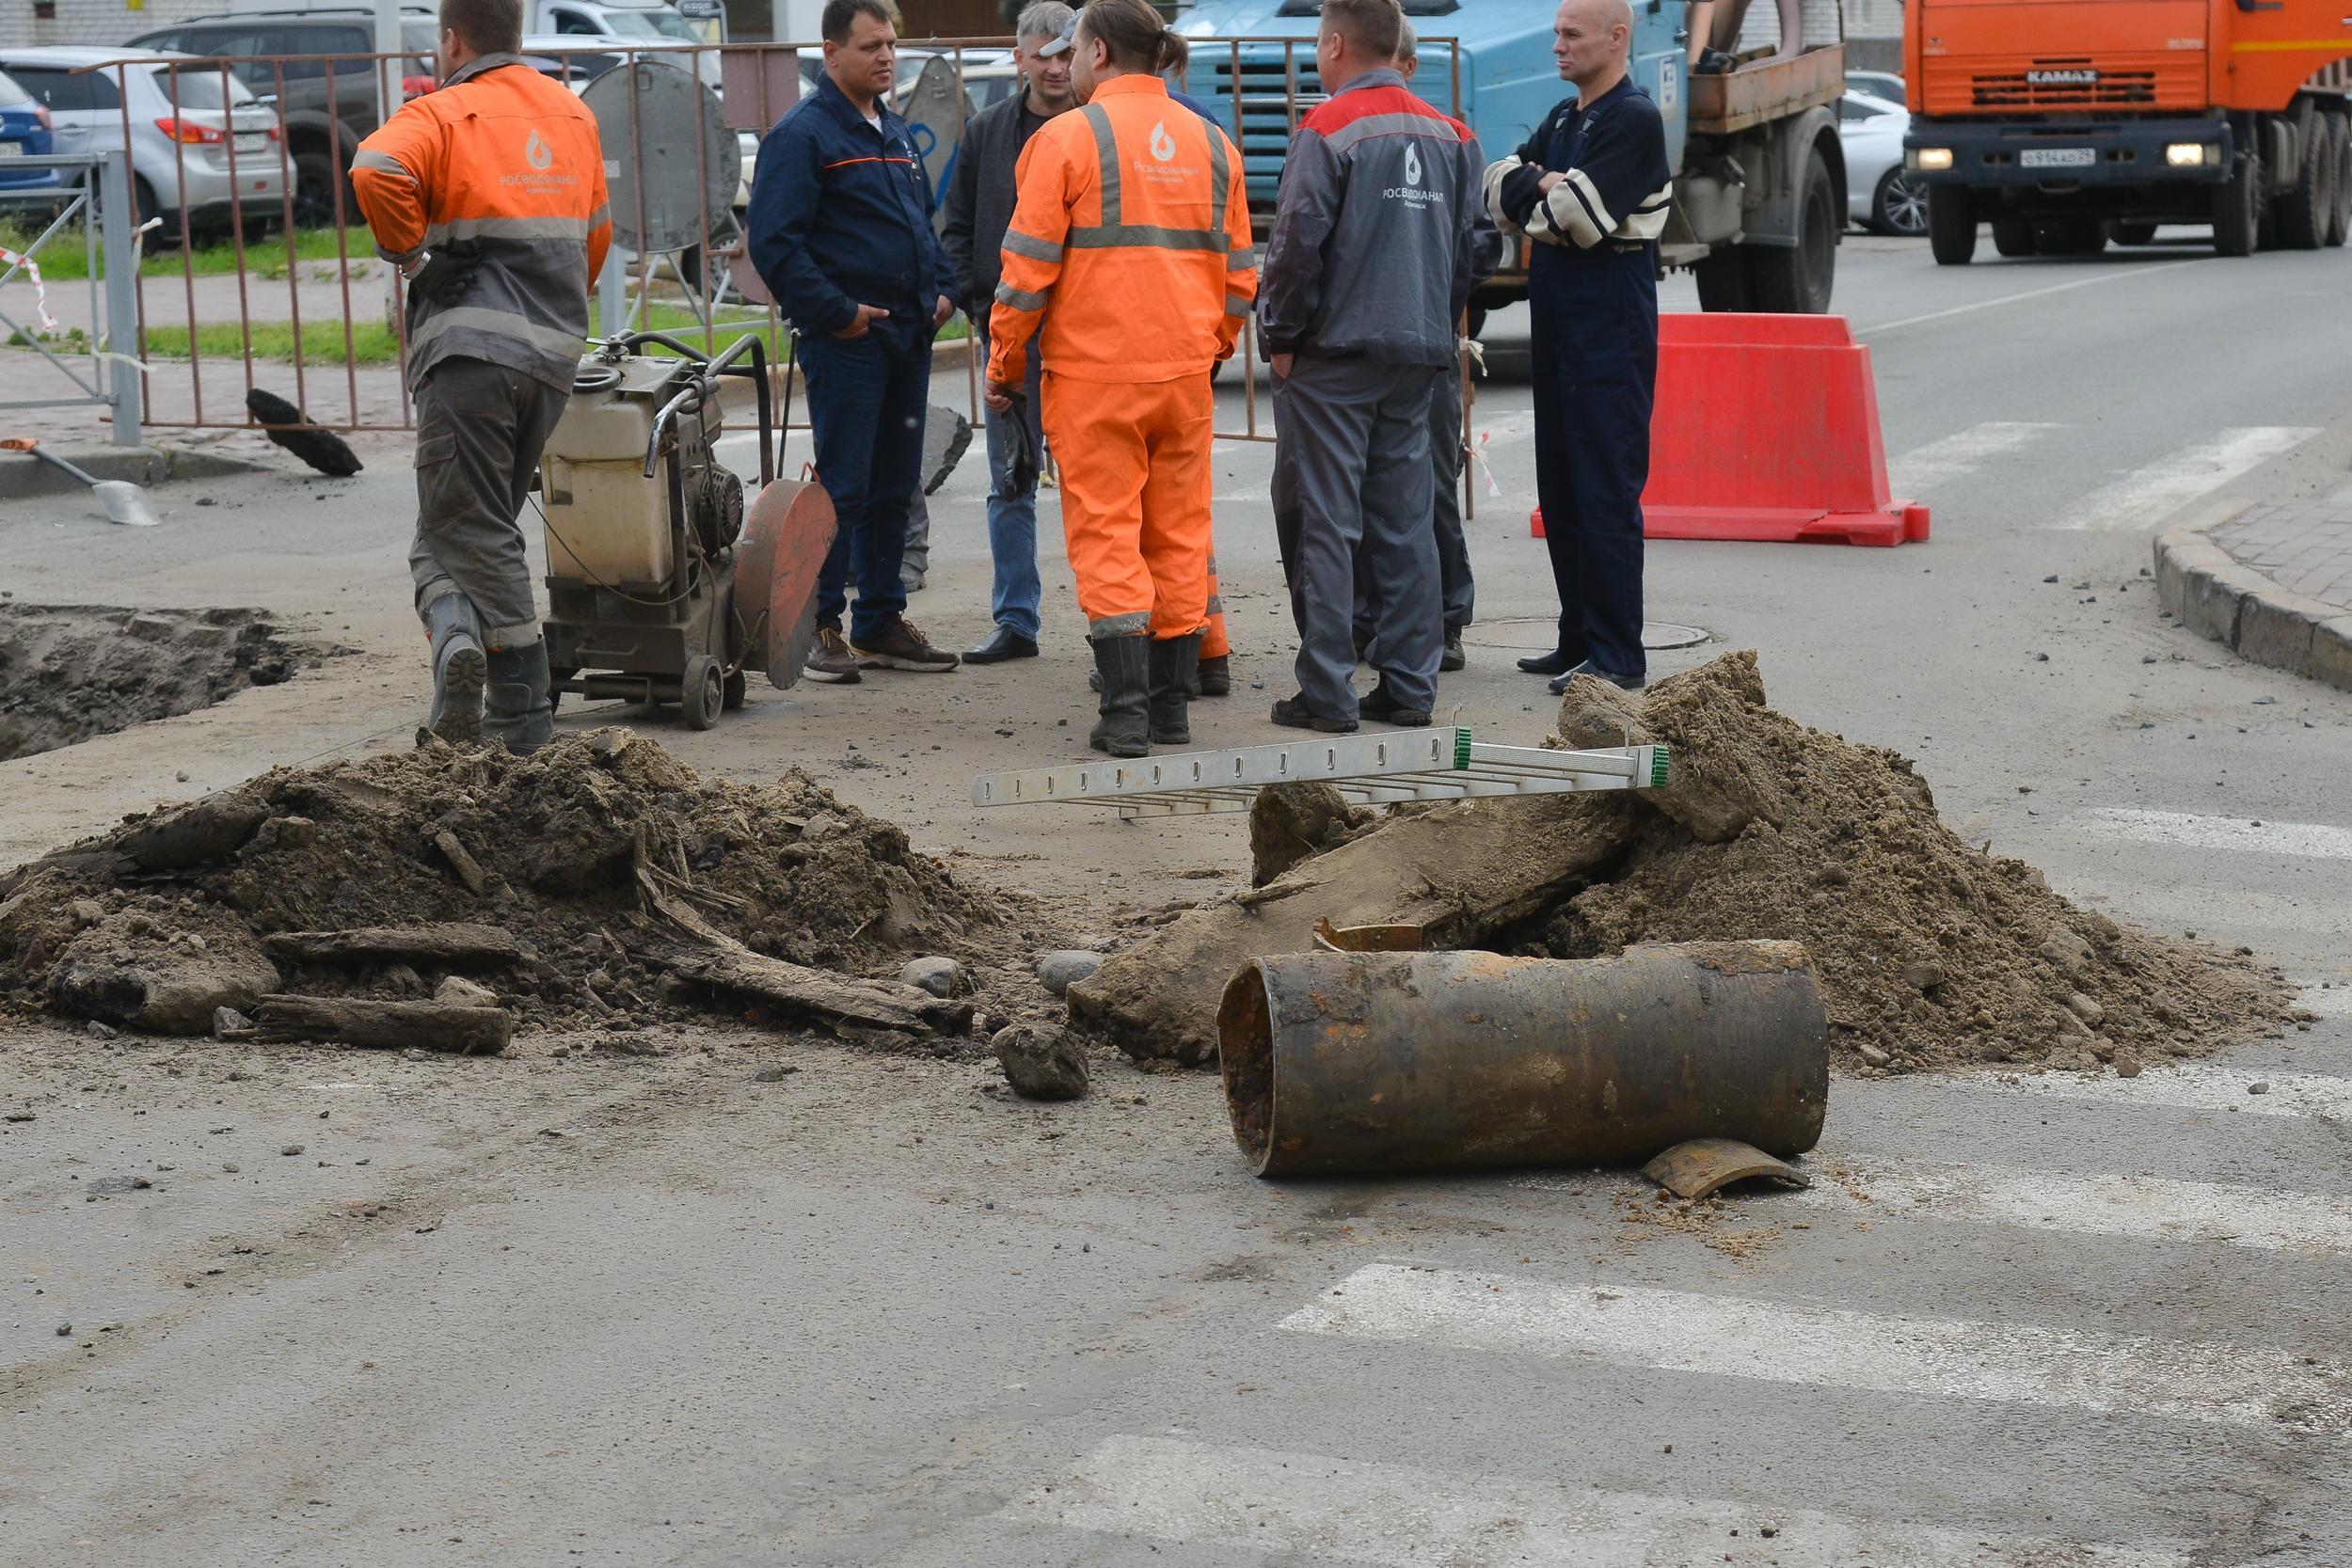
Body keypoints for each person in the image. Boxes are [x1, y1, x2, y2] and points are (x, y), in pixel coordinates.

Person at [987, 0, 1255, 757]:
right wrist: (1212, 349)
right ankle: (1171, 709)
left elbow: (1024, 275)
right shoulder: (1213, 145)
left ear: (1098, 53)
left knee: (1107, 535)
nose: (1063, 66)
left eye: (1072, 53)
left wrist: (1005, 365)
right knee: (1177, 536)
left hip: (1094, 379)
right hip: (1183, 377)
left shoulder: (1064, 140)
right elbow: (1240, 278)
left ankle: (1128, 711)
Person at [351, 0, 610, 755]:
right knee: (457, 525)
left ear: (452, 39)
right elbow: (595, 235)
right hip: (551, 356)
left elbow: (374, 167)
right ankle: (457, 646)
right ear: (518, 36)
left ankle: (522, 705)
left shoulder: (445, 114)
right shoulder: (571, 114)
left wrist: (415, 258)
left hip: (469, 357)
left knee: (470, 527)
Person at [1257, 0, 1490, 733]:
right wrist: (1430, 316)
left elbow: (1295, 245)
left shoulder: (1326, 129)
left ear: (1334, 45)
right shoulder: (1453, 135)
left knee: (1327, 523)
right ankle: (1410, 686)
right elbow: (1473, 249)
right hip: (1417, 355)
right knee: (1406, 523)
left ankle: (1326, 692)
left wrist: (1280, 336)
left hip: (1333, 358)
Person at [749, 0, 961, 685]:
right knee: (842, 488)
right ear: (831, 52)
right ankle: (820, 625)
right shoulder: (804, 136)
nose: (887, 57)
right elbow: (774, 245)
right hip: (849, 343)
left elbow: (921, 226)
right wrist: (837, 313)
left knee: (895, 485)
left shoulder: (893, 130)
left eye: (892, 44)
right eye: (871, 46)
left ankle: (879, 621)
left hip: (907, 336)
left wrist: (945, 291)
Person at [1486, 0, 1671, 694]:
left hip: (1609, 323)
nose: (1556, 45)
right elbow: (1493, 191)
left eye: (1571, 34)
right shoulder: (1566, 120)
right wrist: (1539, 183)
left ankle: (1619, 655)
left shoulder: (1632, 119)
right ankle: (1578, 637)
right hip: (1561, 318)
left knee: (1604, 488)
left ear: (1616, 38)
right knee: (1561, 488)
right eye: (1556, 32)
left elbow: (1582, 219)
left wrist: (1538, 194)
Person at [1350, 18, 1495, 677]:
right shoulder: (1356, 131)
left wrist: (1435, 290)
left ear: (1405, 67)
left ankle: (1443, 619)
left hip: (1422, 344)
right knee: (1366, 491)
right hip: (1395, 341)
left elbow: (1482, 242)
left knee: (1429, 486)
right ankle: (1372, 619)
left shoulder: (1450, 138)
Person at [940, 0, 1075, 665]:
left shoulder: (1096, 129)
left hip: (1087, 340)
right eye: (1042, 54)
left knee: (1096, 484)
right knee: (1011, 483)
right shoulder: (988, 131)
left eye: (1065, 53)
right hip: (1011, 339)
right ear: (1019, 57)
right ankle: (1016, 620)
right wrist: (977, 305)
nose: (1054, 67)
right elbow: (957, 224)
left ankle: (1122, 625)